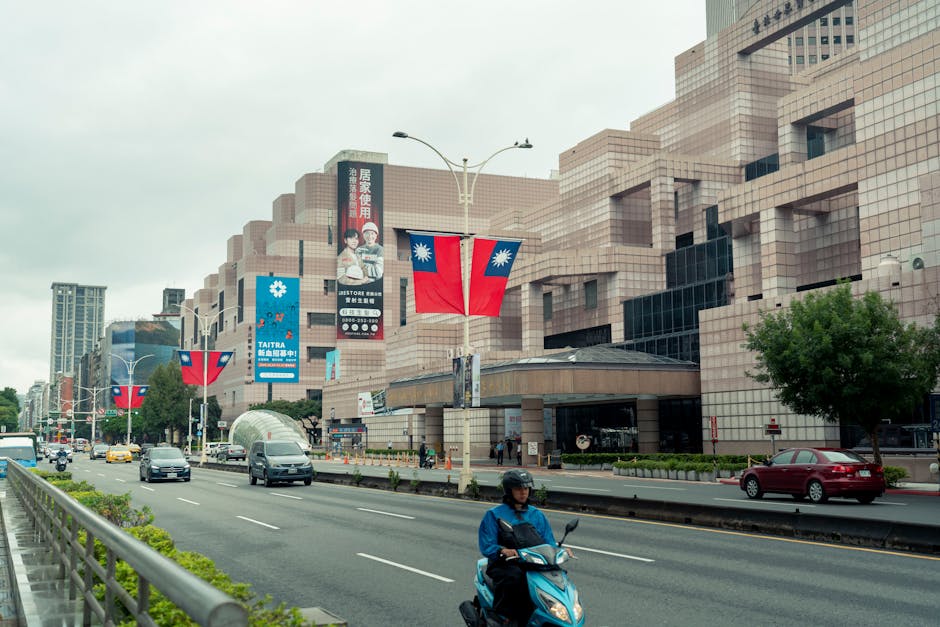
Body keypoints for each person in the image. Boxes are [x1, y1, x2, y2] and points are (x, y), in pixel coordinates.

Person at [478, 469, 561, 625]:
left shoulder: (537, 515)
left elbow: (548, 542)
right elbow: (487, 545)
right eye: (518, 489)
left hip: (534, 563)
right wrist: (502, 551)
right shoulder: (494, 515)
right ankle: (505, 616)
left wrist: (558, 551)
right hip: (505, 564)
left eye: (526, 488)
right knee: (515, 577)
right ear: (509, 491)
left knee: (559, 577)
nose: (523, 492)